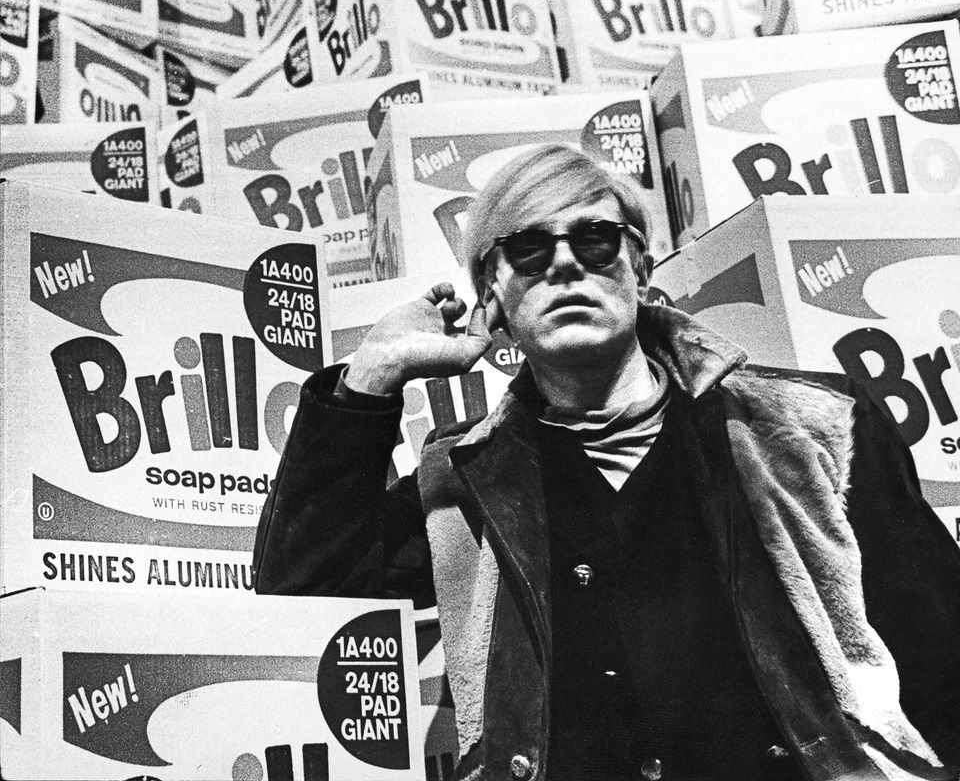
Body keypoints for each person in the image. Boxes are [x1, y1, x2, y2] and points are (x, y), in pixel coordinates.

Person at [254, 144, 960, 781]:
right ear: (491, 295)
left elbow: (942, 661)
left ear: (640, 267)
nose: (564, 262)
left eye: (594, 238)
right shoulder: (464, 480)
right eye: (528, 249)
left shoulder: (809, 428)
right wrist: (371, 377)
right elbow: (306, 602)